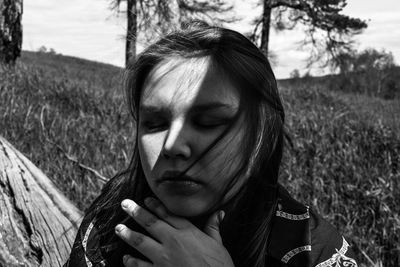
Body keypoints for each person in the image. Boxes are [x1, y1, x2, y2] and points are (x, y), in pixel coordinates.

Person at [65, 22, 357, 267]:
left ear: (260, 134)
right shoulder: (114, 212)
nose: (173, 145)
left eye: (208, 123)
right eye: (154, 123)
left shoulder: (311, 249)